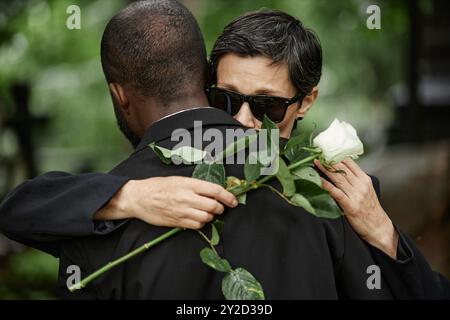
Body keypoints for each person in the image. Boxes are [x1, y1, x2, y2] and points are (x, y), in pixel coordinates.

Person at [0, 1, 449, 299]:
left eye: (268, 106)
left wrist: (385, 236)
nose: (243, 122)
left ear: (305, 101)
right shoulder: (109, 203)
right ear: (203, 83)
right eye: (227, 99)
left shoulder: (332, 196)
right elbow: (17, 209)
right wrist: (130, 196)